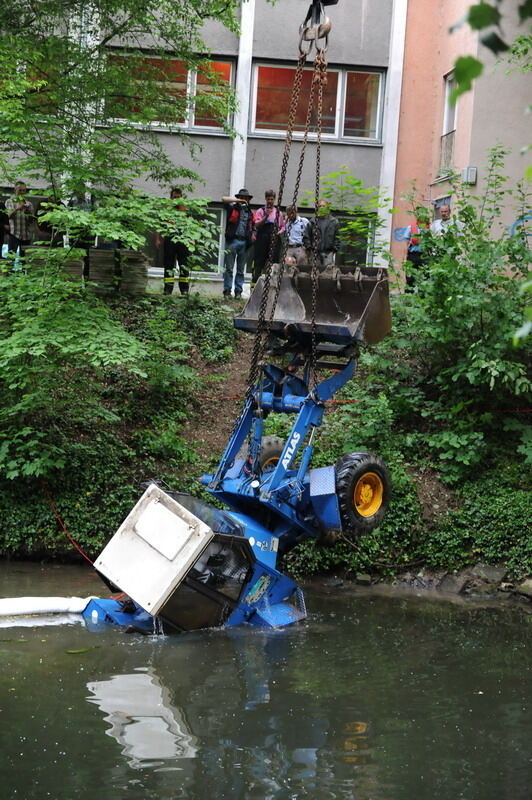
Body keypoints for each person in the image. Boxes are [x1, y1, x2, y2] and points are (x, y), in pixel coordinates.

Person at [156, 188, 190, 296]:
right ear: (171, 198)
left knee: (184, 266)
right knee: (169, 265)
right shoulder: (166, 211)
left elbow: (191, 227)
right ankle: (168, 289)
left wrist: (192, 241)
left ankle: (184, 290)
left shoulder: (186, 210)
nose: (176, 199)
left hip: (183, 240)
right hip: (170, 239)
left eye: (178, 197)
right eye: (174, 197)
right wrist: (157, 239)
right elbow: (159, 225)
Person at [221, 187, 254, 298]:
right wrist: (238, 201)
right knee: (229, 268)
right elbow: (223, 199)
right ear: (239, 198)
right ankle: (227, 291)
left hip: (244, 243)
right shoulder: (232, 208)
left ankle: (238, 292)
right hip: (232, 241)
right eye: (242, 197)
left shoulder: (250, 212)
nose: (244, 200)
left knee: (240, 270)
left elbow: (253, 227)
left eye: (246, 198)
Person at [252, 190, 285, 284]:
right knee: (259, 260)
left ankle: (272, 282)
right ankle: (255, 282)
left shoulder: (278, 212)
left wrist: (279, 232)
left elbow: (282, 226)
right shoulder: (260, 211)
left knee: (274, 260)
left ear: (274, 199)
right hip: (262, 237)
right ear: (265, 198)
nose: (270, 201)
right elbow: (256, 225)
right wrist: (266, 216)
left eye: (272, 199)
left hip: (274, 237)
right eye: (268, 199)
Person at [303, 198, 340, 266]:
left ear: (327, 207)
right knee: (315, 273)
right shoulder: (312, 221)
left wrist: (334, 249)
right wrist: (309, 249)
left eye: (323, 206)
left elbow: (337, 237)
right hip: (315, 253)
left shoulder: (334, 222)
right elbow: (306, 236)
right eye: (320, 206)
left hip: (328, 253)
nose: (321, 208)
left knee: (328, 273)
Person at [404, 207, 430, 292]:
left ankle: (423, 300)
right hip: (413, 255)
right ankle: (408, 299)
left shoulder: (430, 228)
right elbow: (406, 244)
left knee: (425, 278)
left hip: (425, 256)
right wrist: (404, 257)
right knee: (410, 278)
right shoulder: (411, 227)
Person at [5, 181, 34, 255]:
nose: (22, 192)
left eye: (24, 190)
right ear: (15, 190)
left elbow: (31, 221)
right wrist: (18, 208)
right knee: (11, 258)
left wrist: (28, 212)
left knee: (24, 260)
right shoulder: (9, 201)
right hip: (14, 234)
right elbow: (8, 216)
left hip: (26, 235)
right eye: (20, 190)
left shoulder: (29, 204)